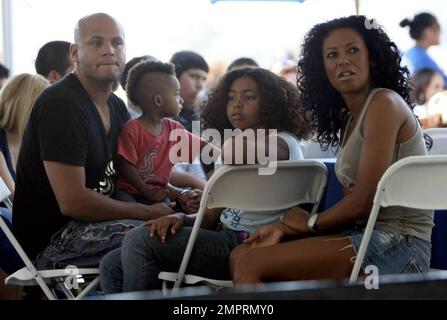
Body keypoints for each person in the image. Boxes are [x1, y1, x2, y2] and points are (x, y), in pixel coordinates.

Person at [230, 15, 433, 285]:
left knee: (250, 263)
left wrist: (311, 223)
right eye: (332, 55)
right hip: (365, 234)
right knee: (242, 253)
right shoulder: (349, 118)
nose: (343, 60)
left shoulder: (384, 103)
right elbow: (355, 205)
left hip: (400, 243)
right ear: (322, 67)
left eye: (353, 50)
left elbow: (363, 201)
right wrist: (285, 227)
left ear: (371, 57)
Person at [99, 67, 311, 293]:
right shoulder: (242, 146)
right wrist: (180, 217)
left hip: (250, 246)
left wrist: (224, 148)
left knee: (140, 241)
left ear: (271, 103)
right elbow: (210, 219)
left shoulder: (283, 142)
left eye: (248, 97)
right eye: (230, 97)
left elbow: (233, 152)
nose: (236, 104)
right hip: (220, 237)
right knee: (112, 264)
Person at [12, 13, 176, 271]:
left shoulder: (115, 104)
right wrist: (146, 213)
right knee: (163, 239)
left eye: (117, 43)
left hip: (100, 223)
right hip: (53, 240)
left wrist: (179, 195)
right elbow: (73, 202)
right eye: (96, 43)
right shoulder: (61, 104)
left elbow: (133, 170)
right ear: (75, 53)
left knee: (183, 227)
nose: (109, 50)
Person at [115, 60, 206, 213]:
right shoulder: (132, 129)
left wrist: (229, 153)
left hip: (159, 192)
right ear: (159, 100)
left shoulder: (174, 128)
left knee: (170, 216)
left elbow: (203, 146)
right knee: (131, 220)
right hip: (129, 192)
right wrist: (146, 191)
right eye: (177, 94)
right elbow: (125, 165)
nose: (181, 99)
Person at [400, 13, 447, 84]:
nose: (441, 32)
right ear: (428, 31)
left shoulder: (409, 54)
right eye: (438, 28)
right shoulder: (423, 61)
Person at [169, 51, 208, 133]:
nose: (200, 85)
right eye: (194, 76)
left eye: (204, 79)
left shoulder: (203, 117)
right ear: (175, 77)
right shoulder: (159, 117)